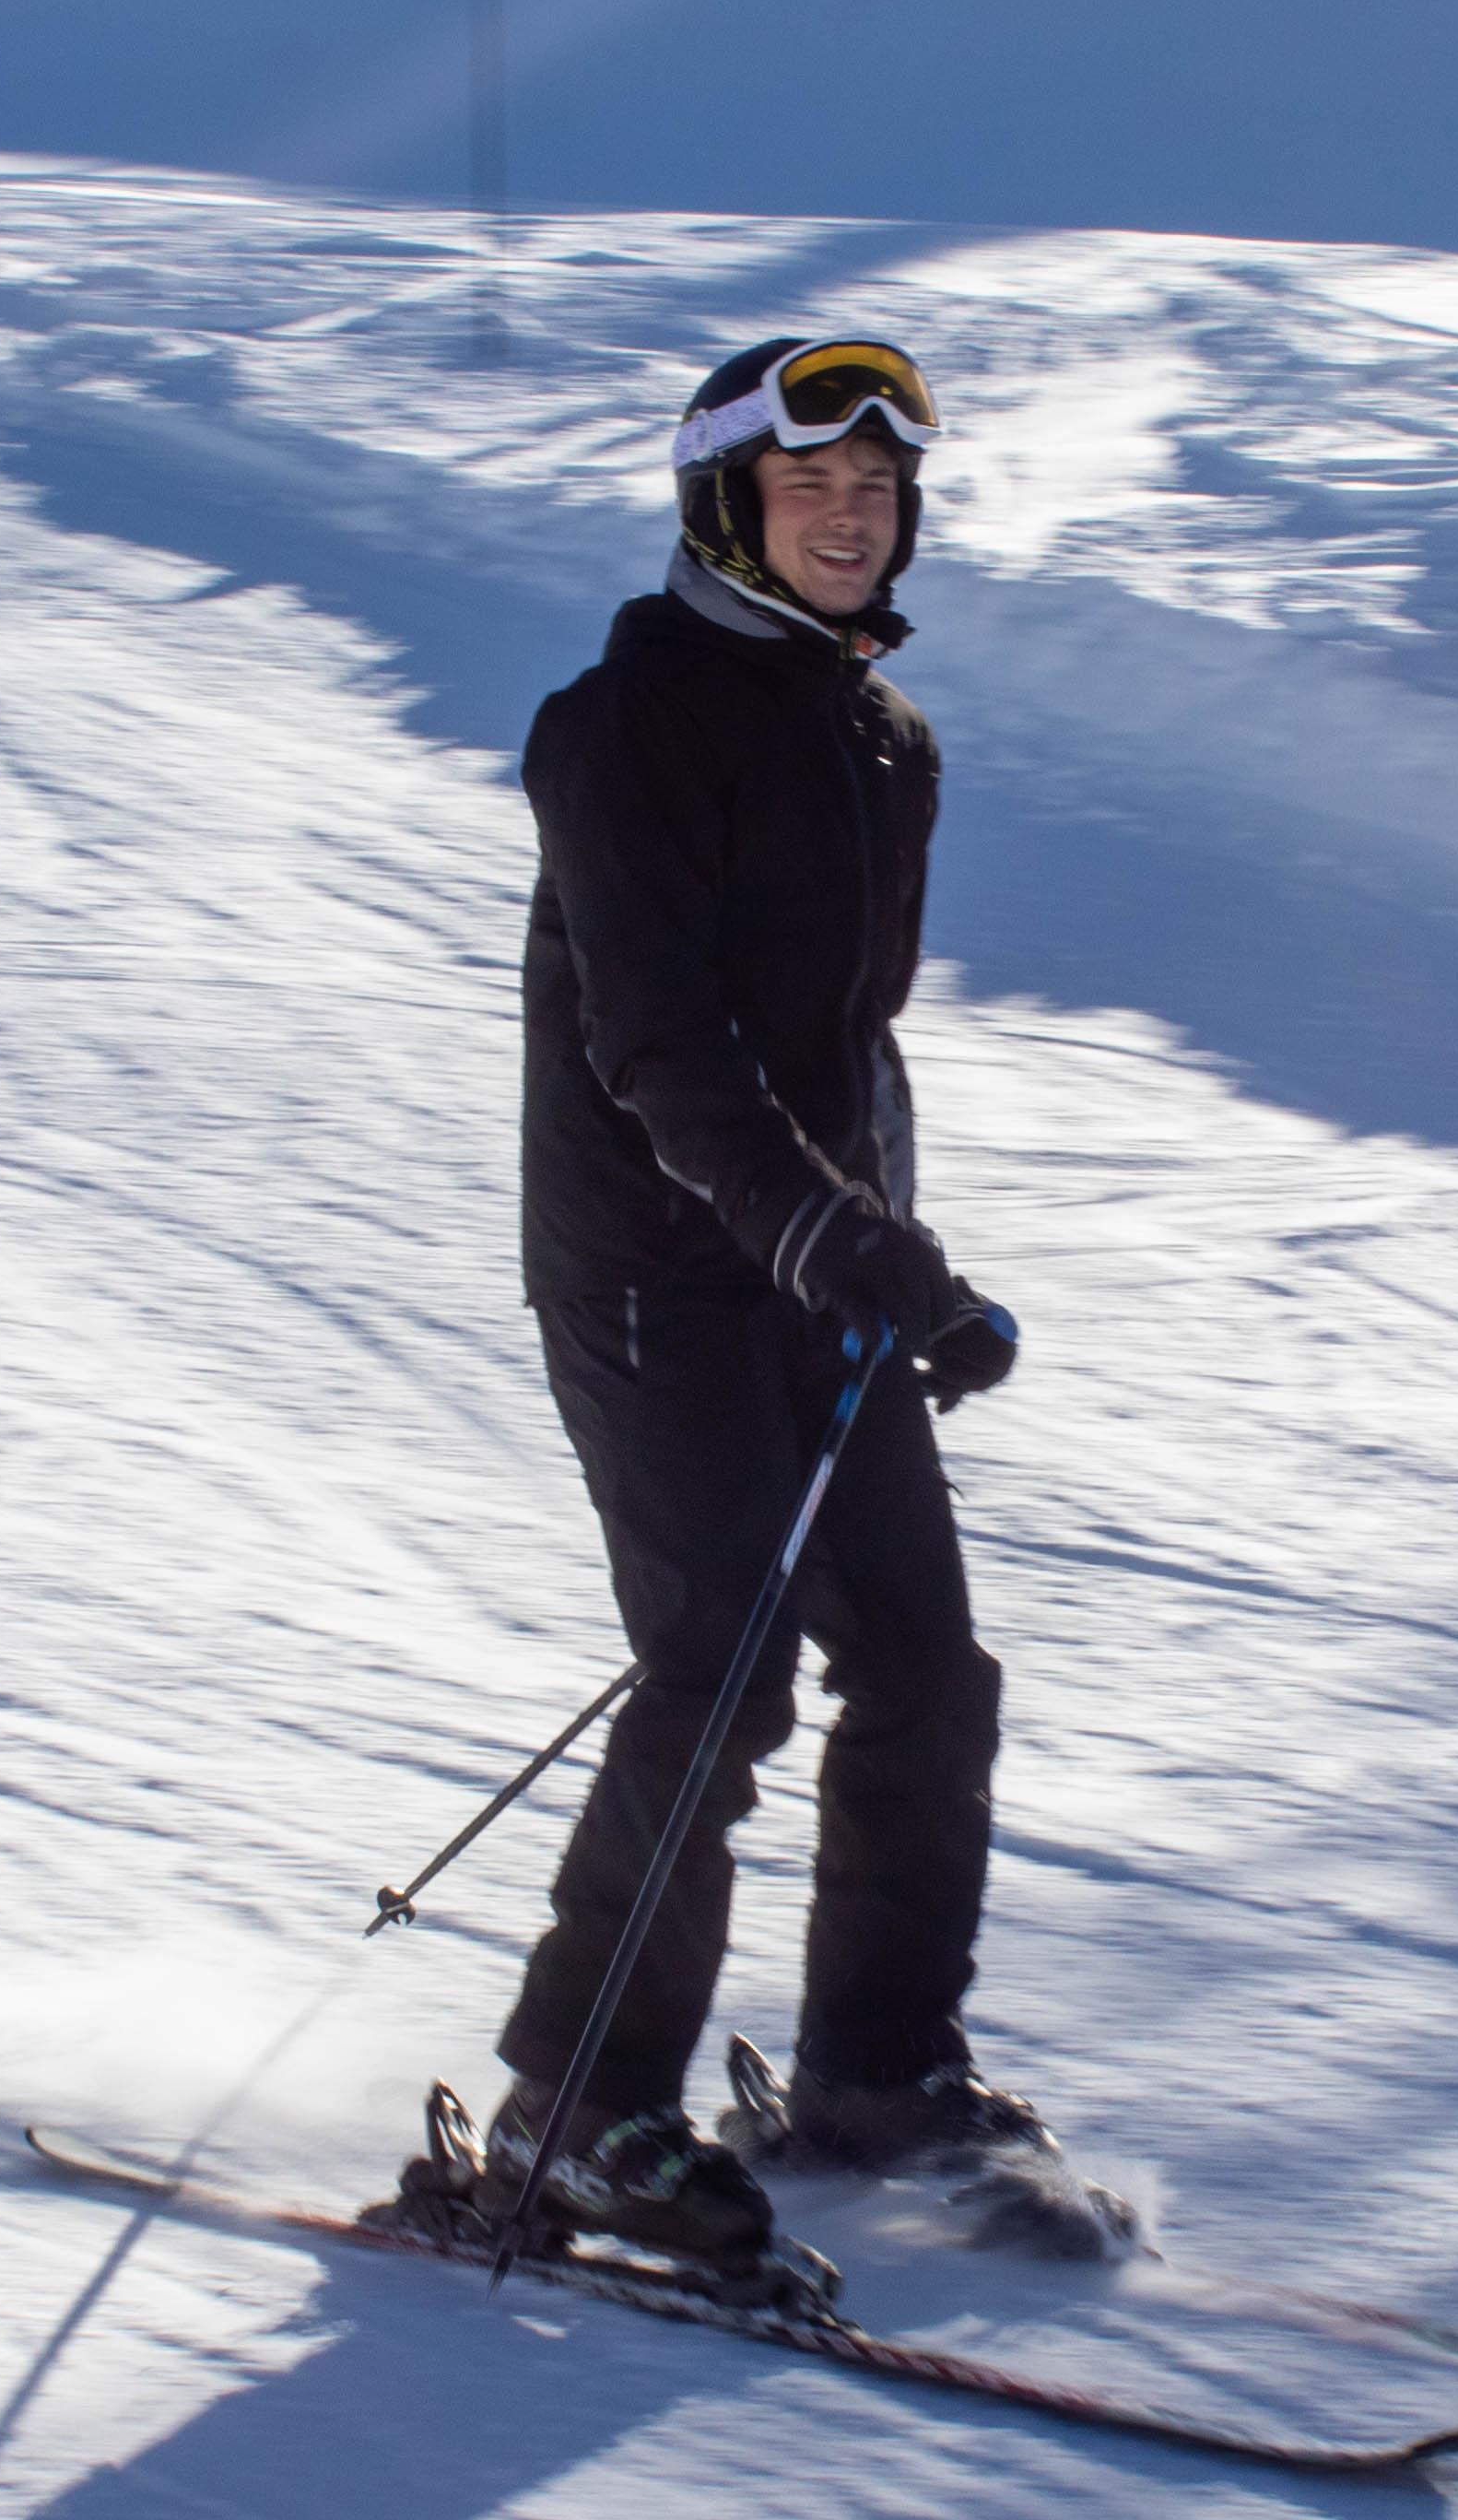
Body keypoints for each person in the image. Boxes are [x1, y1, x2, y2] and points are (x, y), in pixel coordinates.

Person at [464, 335, 1112, 2267]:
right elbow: (661, 1048)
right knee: (720, 1676)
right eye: (810, 485)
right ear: (727, 507)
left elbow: (846, 1047)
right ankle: (579, 2105)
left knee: (925, 1670)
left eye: (877, 488)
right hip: (657, 1274)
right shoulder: (620, 727)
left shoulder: (882, 739)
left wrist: (898, 1250)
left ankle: (877, 2070)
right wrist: (839, 1242)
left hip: (818, 1262)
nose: (851, 515)